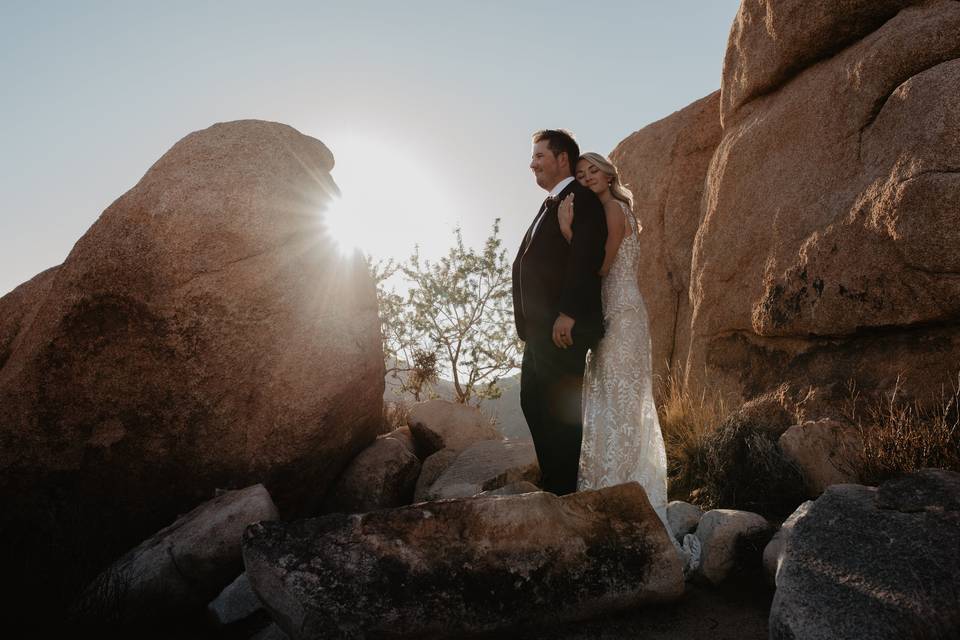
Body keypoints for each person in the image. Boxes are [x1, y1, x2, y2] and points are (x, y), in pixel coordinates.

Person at [558, 152, 700, 575]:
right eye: (581, 175)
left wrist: (568, 234)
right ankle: (611, 486)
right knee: (608, 396)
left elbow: (602, 267)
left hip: (622, 313)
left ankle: (622, 489)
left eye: (593, 170)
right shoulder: (610, 210)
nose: (588, 178)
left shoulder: (615, 210)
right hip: (613, 315)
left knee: (619, 398)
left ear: (609, 172)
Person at [511, 130, 607, 496]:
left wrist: (568, 312)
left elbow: (584, 258)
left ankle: (566, 491)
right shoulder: (552, 202)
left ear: (562, 158)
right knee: (532, 401)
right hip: (538, 328)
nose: (532, 163)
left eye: (539, 156)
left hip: (561, 327)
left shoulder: (580, 197)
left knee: (558, 410)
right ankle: (556, 483)